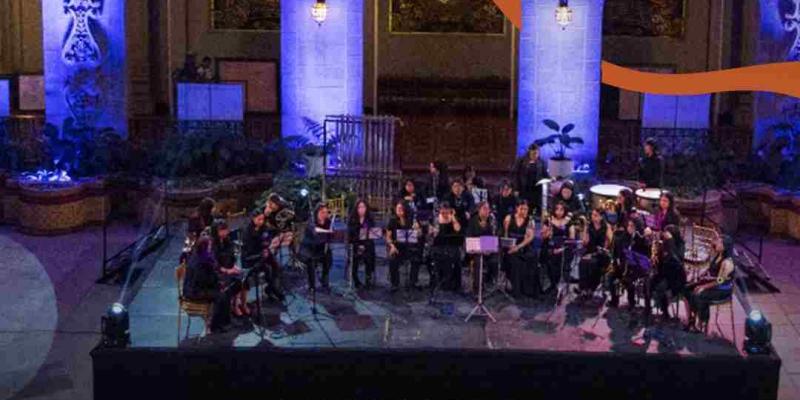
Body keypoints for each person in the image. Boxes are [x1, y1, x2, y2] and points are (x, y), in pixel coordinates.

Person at [684, 235, 735, 333]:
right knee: (687, 289)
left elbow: (720, 281)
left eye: (719, 242)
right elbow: (710, 268)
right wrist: (701, 276)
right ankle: (691, 319)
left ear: (725, 246)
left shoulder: (727, 262)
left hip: (721, 289)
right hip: (712, 283)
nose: (716, 243)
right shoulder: (718, 255)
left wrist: (703, 286)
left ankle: (702, 323)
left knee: (699, 294)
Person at [182, 235, 231, 333]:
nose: (211, 248)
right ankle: (215, 325)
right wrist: (217, 284)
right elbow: (202, 280)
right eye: (209, 246)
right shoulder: (198, 261)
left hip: (200, 287)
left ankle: (223, 321)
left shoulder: (203, 257)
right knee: (220, 296)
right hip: (194, 291)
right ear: (204, 247)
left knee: (225, 291)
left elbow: (209, 274)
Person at [240, 209, 285, 303]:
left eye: (262, 219)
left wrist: (268, 246)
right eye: (259, 219)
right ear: (253, 219)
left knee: (276, 266)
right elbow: (249, 248)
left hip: (263, 251)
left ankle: (270, 288)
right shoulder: (247, 231)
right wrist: (262, 251)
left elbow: (267, 238)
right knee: (267, 269)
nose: (261, 221)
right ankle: (273, 290)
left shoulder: (264, 227)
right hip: (251, 256)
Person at [606, 216, 650, 308]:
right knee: (610, 276)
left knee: (629, 281)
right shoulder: (623, 237)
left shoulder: (641, 238)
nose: (629, 228)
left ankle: (632, 302)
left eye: (632, 226)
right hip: (624, 266)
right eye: (629, 225)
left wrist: (641, 239)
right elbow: (618, 250)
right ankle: (614, 300)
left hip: (637, 268)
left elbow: (645, 256)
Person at [648, 225, 687, 321]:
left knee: (661, 287)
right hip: (665, 272)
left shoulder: (679, 245)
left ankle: (665, 312)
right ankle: (648, 307)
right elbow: (662, 260)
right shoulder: (664, 243)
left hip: (676, 276)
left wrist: (670, 243)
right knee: (649, 282)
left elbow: (676, 260)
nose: (664, 235)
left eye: (667, 233)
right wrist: (656, 258)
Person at [211, 220, 248, 317]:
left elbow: (231, 258)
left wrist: (234, 267)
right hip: (217, 273)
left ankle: (239, 304)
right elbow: (214, 265)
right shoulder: (212, 245)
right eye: (221, 230)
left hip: (228, 269)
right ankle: (231, 306)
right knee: (234, 281)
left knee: (244, 277)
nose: (224, 232)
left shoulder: (228, 241)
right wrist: (228, 270)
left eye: (225, 229)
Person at [385, 200, 423, 292]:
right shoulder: (392, 220)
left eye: (401, 209)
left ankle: (413, 281)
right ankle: (395, 283)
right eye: (397, 209)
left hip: (409, 246)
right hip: (397, 247)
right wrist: (392, 246)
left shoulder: (411, 220)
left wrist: (418, 230)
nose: (399, 210)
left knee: (417, 257)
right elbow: (388, 237)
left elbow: (420, 235)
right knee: (393, 259)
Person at [503, 199, 537, 298]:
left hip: (522, 246)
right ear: (517, 208)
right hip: (510, 246)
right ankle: (516, 290)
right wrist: (508, 246)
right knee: (514, 260)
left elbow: (530, 238)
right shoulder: (509, 218)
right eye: (522, 209)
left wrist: (518, 247)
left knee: (531, 257)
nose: (524, 211)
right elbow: (505, 234)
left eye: (526, 209)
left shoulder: (530, 221)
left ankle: (527, 289)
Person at [577, 208, 612, 299]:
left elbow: (610, 242)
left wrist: (604, 247)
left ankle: (591, 288)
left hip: (602, 253)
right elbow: (585, 242)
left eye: (596, 215)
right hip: (590, 250)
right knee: (582, 262)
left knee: (593, 263)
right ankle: (583, 288)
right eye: (592, 215)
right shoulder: (589, 226)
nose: (593, 217)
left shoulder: (606, 226)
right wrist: (584, 229)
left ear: (601, 217)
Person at [430, 202, 465, 292]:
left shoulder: (453, 218)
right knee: (441, 256)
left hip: (452, 246)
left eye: (447, 212)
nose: (445, 214)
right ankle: (441, 282)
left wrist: (453, 218)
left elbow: (458, 229)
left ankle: (455, 283)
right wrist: (433, 231)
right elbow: (433, 235)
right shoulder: (436, 219)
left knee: (456, 256)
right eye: (443, 212)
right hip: (439, 246)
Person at [300, 203, 334, 291]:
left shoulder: (328, 221)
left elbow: (329, 237)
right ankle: (311, 285)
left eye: (326, 212)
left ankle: (324, 278)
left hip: (320, 247)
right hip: (308, 248)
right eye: (322, 212)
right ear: (317, 212)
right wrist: (327, 231)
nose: (324, 215)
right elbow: (315, 230)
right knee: (311, 261)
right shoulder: (311, 221)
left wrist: (330, 236)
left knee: (328, 257)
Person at [543, 201, 575, 294]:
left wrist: (561, 249)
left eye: (561, 209)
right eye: (557, 209)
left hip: (564, 248)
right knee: (549, 255)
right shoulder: (548, 220)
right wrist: (547, 233)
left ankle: (560, 284)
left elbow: (571, 239)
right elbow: (543, 236)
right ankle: (553, 284)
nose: (559, 212)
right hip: (552, 247)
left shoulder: (569, 222)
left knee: (562, 258)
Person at [466, 201, 498, 290]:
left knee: (495, 261)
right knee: (478, 261)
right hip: (476, 250)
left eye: (488, 209)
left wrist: (489, 249)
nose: (487, 211)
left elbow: (495, 235)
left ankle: (490, 281)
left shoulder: (492, 220)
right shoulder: (473, 221)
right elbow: (469, 236)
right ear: (479, 210)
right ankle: (478, 287)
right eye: (484, 209)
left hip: (489, 249)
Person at [347, 200, 377, 289]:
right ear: (356, 208)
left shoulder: (370, 219)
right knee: (354, 257)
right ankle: (356, 280)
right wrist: (358, 245)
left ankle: (368, 278)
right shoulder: (352, 220)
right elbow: (350, 237)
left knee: (370, 254)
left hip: (367, 244)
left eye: (363, 207)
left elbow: (372, 234)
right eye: (359, 207)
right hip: (355, 244)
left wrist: (365, 245)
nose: (361, 209)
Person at [512, 143, 549, 214]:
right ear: (529, 152)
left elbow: (545, 175)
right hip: (524, 189)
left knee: (536, 208)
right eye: (533, 153)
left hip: (537, 190)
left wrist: (550, 179)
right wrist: (516, 188)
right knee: (524, 207)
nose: (535, 155)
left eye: (536, 153)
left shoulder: (542, 162)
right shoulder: (521, 161)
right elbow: (515, 175)